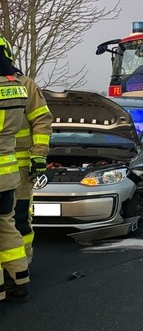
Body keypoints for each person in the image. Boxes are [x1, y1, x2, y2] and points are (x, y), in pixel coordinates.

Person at [0, 36, 31, 303]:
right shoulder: (18, 88)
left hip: (10, 170)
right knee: (7, 224)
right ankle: (20, 274)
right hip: (8, 171)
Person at [13, 62, 52, 264]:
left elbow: (42, 121)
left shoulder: (25, 85)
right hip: (14, 168)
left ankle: (21, 267)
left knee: (19, 218)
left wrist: (38, 155)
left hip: (19, 169)